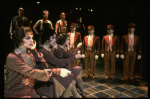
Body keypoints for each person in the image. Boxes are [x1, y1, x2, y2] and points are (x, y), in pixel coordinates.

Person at [4, 27, 71, 98]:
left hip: (30, 92)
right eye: (27, 38)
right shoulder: (12, 57)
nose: (31, 41)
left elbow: (44, 68)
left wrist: (34, 51)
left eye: (32, 38)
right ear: (19, 40)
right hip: (16, 93)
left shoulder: (30, 54)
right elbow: (31, 72)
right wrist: (57, 71)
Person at [37, 29, 83, 98]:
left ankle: (78, 94)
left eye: (55, 37)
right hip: (47, 77)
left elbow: (60, 57)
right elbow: (59, 62)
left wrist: (57, 49)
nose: (55, 40)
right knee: (69, 82)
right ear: (47, 39)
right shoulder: (43, 51)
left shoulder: (50, 48)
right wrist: (74, 57)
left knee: (71, 78)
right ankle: (77, 95)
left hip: (55, 72)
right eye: (53, 38)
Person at [55, 33, 87, 98]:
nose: (69, 41)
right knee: (77, 77)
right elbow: (71, 56)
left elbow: (70, 55)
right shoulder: (60, 49)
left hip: (66, 67)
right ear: (63, 41)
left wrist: (69, 48)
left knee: (79, 73)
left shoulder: (63, 48)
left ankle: (81, 92)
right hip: (62, 69)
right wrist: (77, 48)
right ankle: (79, 93)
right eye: (67, 40)